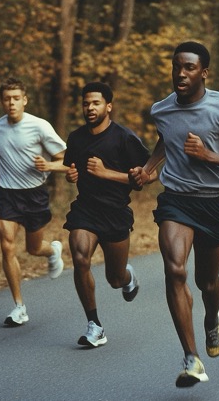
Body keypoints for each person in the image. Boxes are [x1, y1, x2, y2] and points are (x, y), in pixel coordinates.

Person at [129, 42, 219, 388]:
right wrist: (147, 168)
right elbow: (165, 139)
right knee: (175, 271)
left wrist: (208, 156)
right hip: (176, 199)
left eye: (189, 68)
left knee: (207, 283)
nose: (181, 74)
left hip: (214, 203)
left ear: (204, 72)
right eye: (177, 67)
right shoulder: (162, 109)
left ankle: (212, 318)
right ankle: (191, 359)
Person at [63, 82, 151, 348]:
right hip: (86, 209)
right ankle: (95, 325)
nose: (90, 108)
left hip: (115, 213)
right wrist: (71, 174)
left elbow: (148, 177)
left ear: (108, 106)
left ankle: (127, 276)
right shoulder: (76, 138)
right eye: (86, 103)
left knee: (114, 279)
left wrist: (107, 173)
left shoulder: (124, 138)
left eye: (96, 103)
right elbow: (71, 168)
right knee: (80, 258)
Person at [0, 77, 67, 326]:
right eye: (7, 99)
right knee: (7, 246)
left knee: (33, 248)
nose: (11, 103)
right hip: (7, 194)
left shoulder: (40, 127)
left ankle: (53, 250)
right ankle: (19, 306)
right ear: (1, 102)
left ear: (25, 101)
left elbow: (67, 159)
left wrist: (48, 165)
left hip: (35, 194)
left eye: (16, 98)